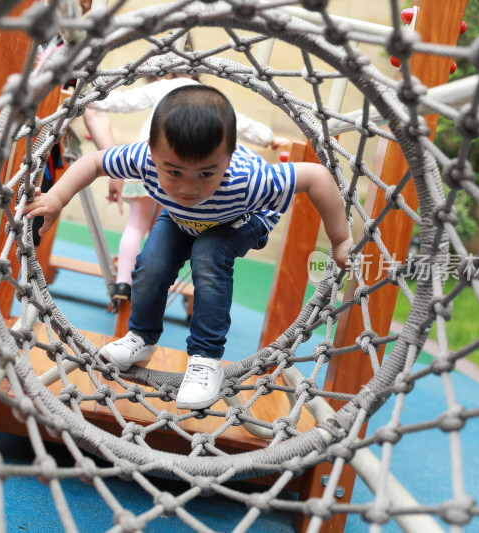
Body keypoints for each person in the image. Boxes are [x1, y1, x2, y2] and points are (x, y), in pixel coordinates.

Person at [26, 85, 352, 410]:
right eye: (175, 172)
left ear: (228, 158)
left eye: (206, 173)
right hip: (182, 218)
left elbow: (317, 177)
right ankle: (141, 337)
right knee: (151, 263)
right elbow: (95, 163)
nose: (188, 187)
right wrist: (57, 197)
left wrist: (340, 240)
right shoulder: (143, 158)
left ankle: (205, 360)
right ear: (152, 154)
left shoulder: (251, 179)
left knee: (209, 255)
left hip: (243, 216)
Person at [83, 74, 289, 304]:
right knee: (163, 229)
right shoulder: (207, 98)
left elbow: (124, 101)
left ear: (169, 72)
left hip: (150, 167)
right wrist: (269, 138)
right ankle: (158, 276)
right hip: (179, 179)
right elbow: (239, 123)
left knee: (135, 225)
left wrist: (87, 99)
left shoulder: (164, 86)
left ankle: (123, 283)